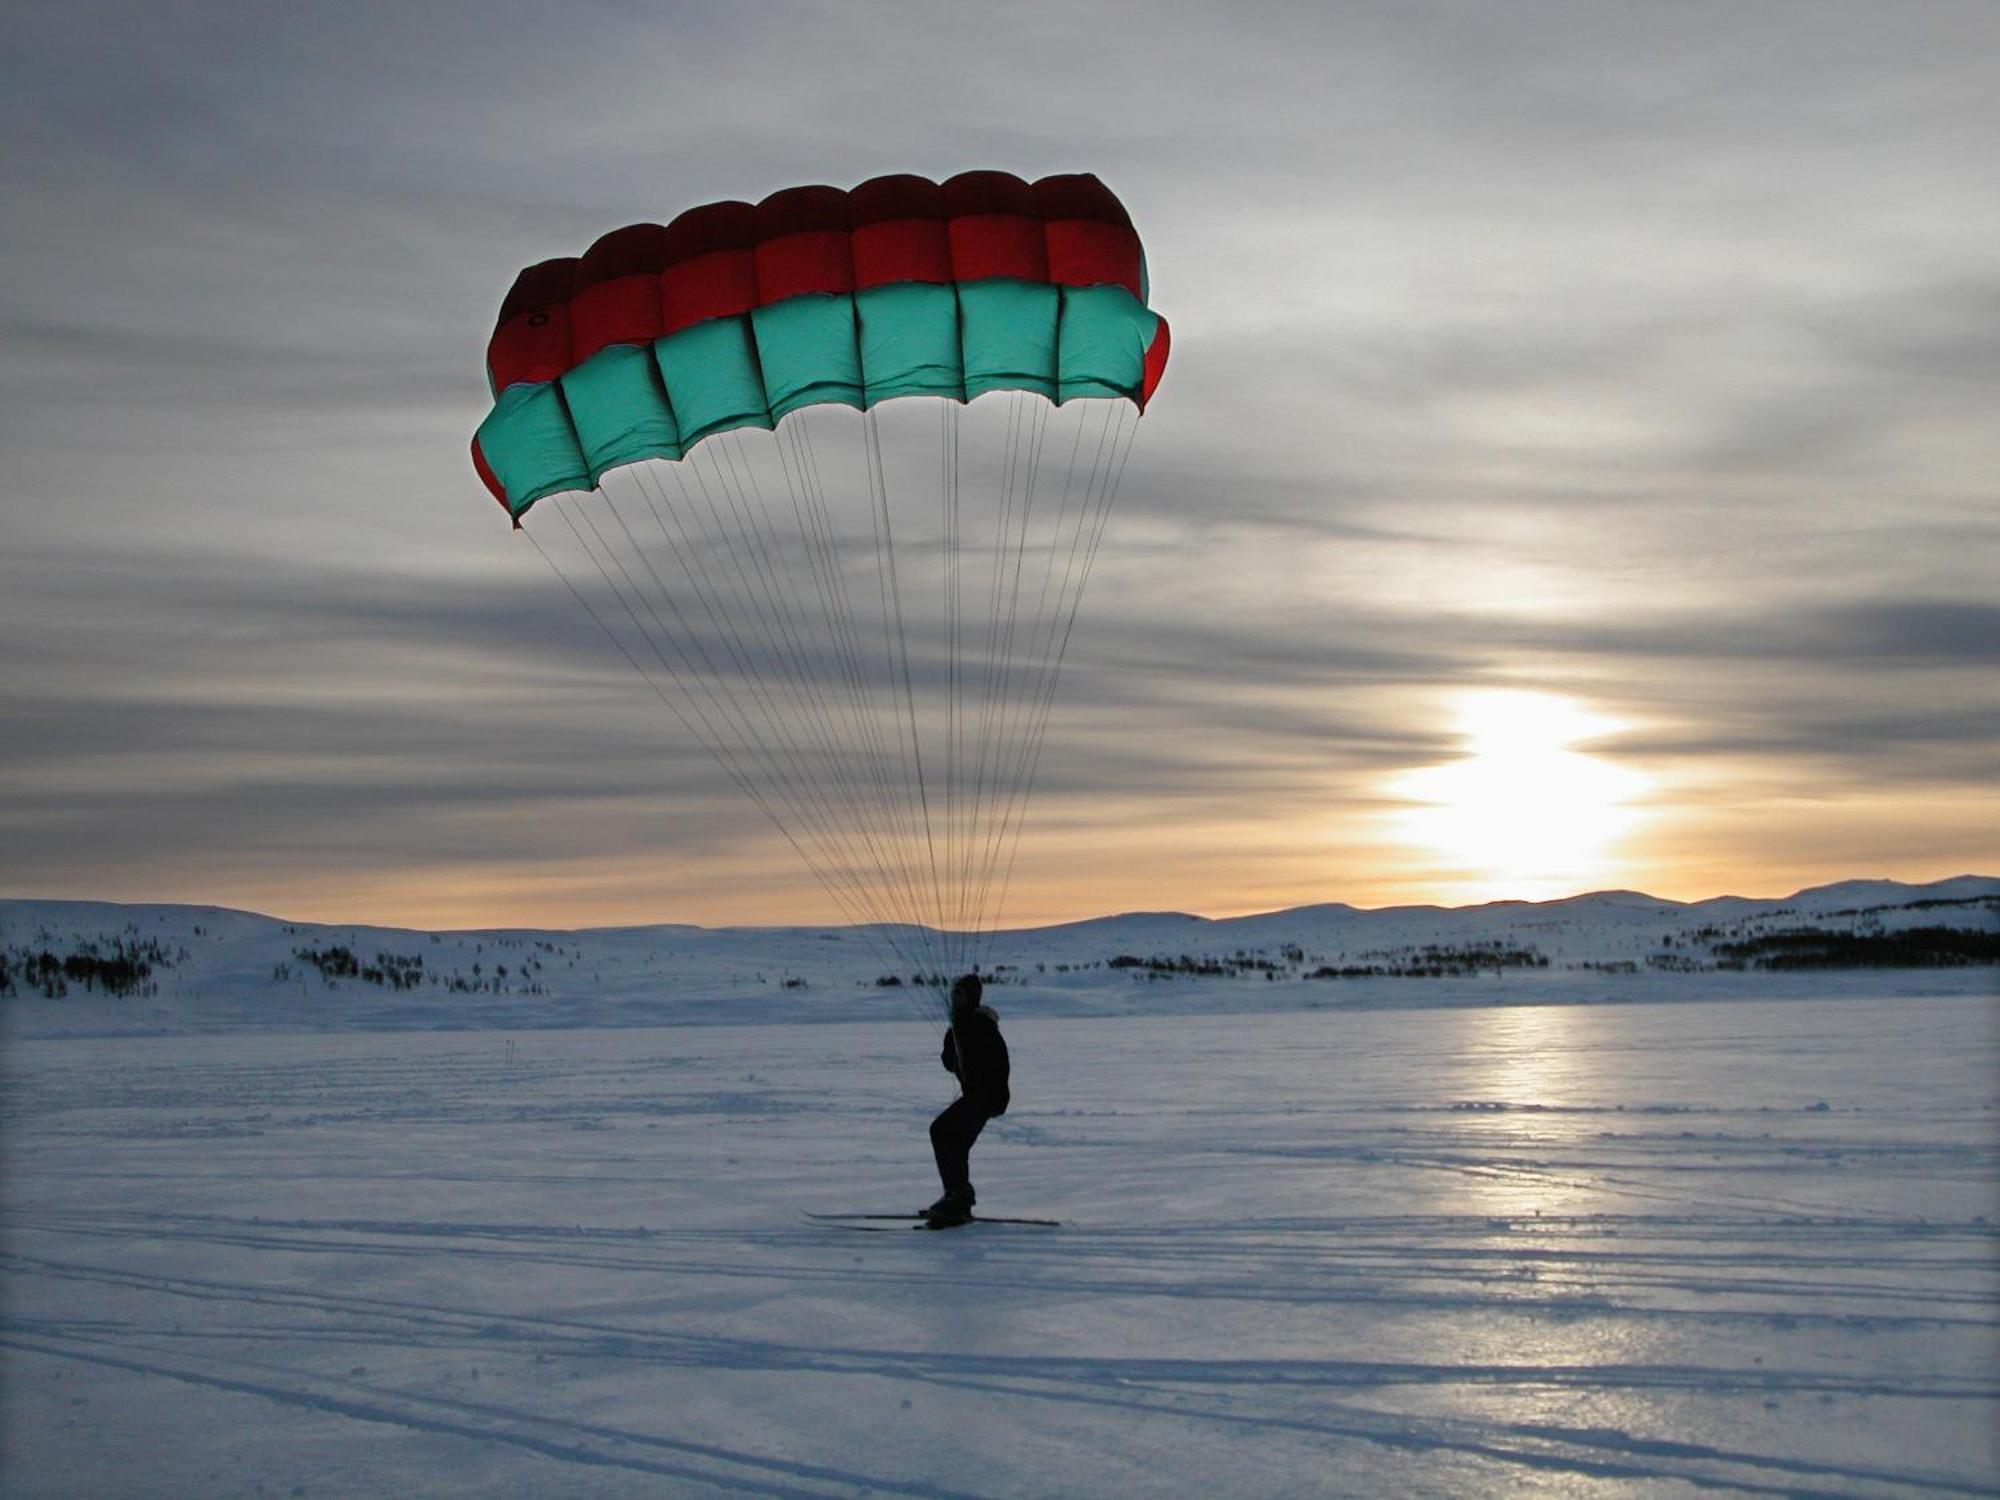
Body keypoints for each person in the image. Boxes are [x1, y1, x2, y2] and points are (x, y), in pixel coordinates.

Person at [923, 973, 1010, 1225]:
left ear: (971, 997)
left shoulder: (980, 1024)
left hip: (985, 1097)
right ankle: (957, 1198)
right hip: (979, 1097)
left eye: (960, 994)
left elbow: (997, 1062)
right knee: (955, 1142)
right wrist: (954, 1041)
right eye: (954, 994)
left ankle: (958, 1197)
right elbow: (950, 1064)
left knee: (941, 1132)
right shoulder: (960, 1026)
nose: (955, 998)